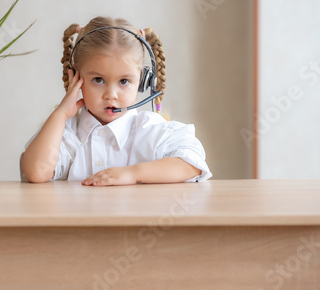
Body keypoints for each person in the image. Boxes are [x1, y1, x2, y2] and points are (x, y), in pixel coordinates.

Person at [20, 16, 211, 186]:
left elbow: (192, 163)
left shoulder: (151, 130)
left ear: (143, 82)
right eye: (98, 80)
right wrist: (61, 114)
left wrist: (132, 174)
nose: (111, 94)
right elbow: (37, 172)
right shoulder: (67, 134)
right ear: (76, 79)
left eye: (124, 81)